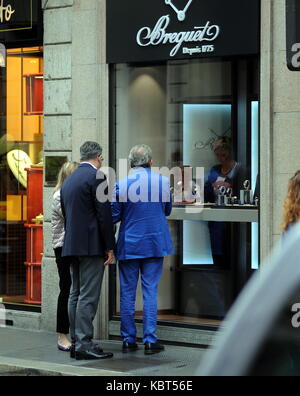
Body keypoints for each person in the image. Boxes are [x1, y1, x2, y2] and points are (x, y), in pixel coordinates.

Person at [111, 144, 174, 355]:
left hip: (129, 244)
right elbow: (167, 210)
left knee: (127, 293)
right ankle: (149, 339)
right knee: (150, 291)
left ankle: (128, 340)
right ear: (150, 161)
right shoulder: (163, 182)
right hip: (154, 244)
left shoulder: (121, 184)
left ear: (130, 163)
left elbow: (114, 215)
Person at [61, 141, 115, 361]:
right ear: (99, 157)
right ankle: (84, 343)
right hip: (91, 246)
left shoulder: (69, 179)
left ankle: (76, 341)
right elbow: (104, 215)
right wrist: (109, 247)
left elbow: (66, 213)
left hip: (72, 244)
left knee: (75, 293)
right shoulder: (98, 177)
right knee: (88, 297)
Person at [51, 161, 79, 352]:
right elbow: (72, 217)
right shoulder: (59, 195)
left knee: (75, 290)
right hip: (63, 247)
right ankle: (62, 336)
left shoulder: (68, 194)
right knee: (66, 289)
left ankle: (77, 333)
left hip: (73, 245)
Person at [205, 137, 241, 269]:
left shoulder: (240, 170)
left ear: (231, 153)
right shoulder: (214, 170)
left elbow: (244, 194)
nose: (221, 159)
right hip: (216, 221)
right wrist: (210, 186)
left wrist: (230, 188)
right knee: (217, 258)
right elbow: (206, 194)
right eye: (218, 155)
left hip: (233, 222)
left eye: (224, 155)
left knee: (232, 257)